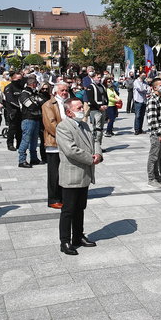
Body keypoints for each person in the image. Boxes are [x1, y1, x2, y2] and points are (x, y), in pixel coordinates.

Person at [56, 97, 102, 255]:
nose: (82, 109)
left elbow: (95, 140)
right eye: (79, 107)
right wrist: (91, 159)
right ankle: (65, 241)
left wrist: (98, 154)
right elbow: (70, 150)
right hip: (72, 174)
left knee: (80, 208)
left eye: (82, 106)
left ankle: (78, 236)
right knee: (68, 210)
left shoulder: (85, 125)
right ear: (69, 112)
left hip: (85, 174)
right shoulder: (63, 127)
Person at [42, 81, 69, 209]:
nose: (64, 93)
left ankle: (64, 195)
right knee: (54, 172)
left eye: (66, 90)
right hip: (54, 142)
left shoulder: (69, 103)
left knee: (65, 170)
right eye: (62, 90)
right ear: (55, 91)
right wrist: (64, 137)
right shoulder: (48, 105)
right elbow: (50, 125)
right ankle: (53, 198)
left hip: (68, 142)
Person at [145, 78, 161, 188]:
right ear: (154, 88)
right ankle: (151, 179)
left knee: (159, 156)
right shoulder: (152, 100)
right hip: (156, 134)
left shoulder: (159, 99)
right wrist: (160, 134)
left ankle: (157, 175)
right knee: (153, 156)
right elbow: (152, 120)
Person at [16, 77, 43, 168]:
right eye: (36, 83)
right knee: (26, 140)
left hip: (36, 118)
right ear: (33, 84)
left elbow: (42, 103)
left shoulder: (34, 93)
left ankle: (34, 158)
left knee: (34, 140)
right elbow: (30, 106)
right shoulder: (24, 94)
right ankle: (22, 160)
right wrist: (38, 104)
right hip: (28, 119)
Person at [85, 75, 108, 154]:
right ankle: (95, 147)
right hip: (95, 110)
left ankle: (99, 146)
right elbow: (90, 99)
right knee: (96, 128)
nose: (99, 79)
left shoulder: (102, 86)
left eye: (100, 77)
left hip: (103, 109)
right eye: (97, 77)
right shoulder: (90, 87)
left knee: (101, 129)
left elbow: (105, 96)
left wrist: (106, 105)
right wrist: (99, 107)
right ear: (93, 78)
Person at [4, 72, 24, 151]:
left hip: (21, 112)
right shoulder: (9, 87)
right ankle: (10, 144)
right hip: (12, 112)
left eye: (21, 79)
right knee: (12, 129)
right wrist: (19, 106)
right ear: (13, 79)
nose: (20, 81)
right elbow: (10, 100)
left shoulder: (21, 87)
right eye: (18, 79)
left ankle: (19, 144)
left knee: (20, 129)